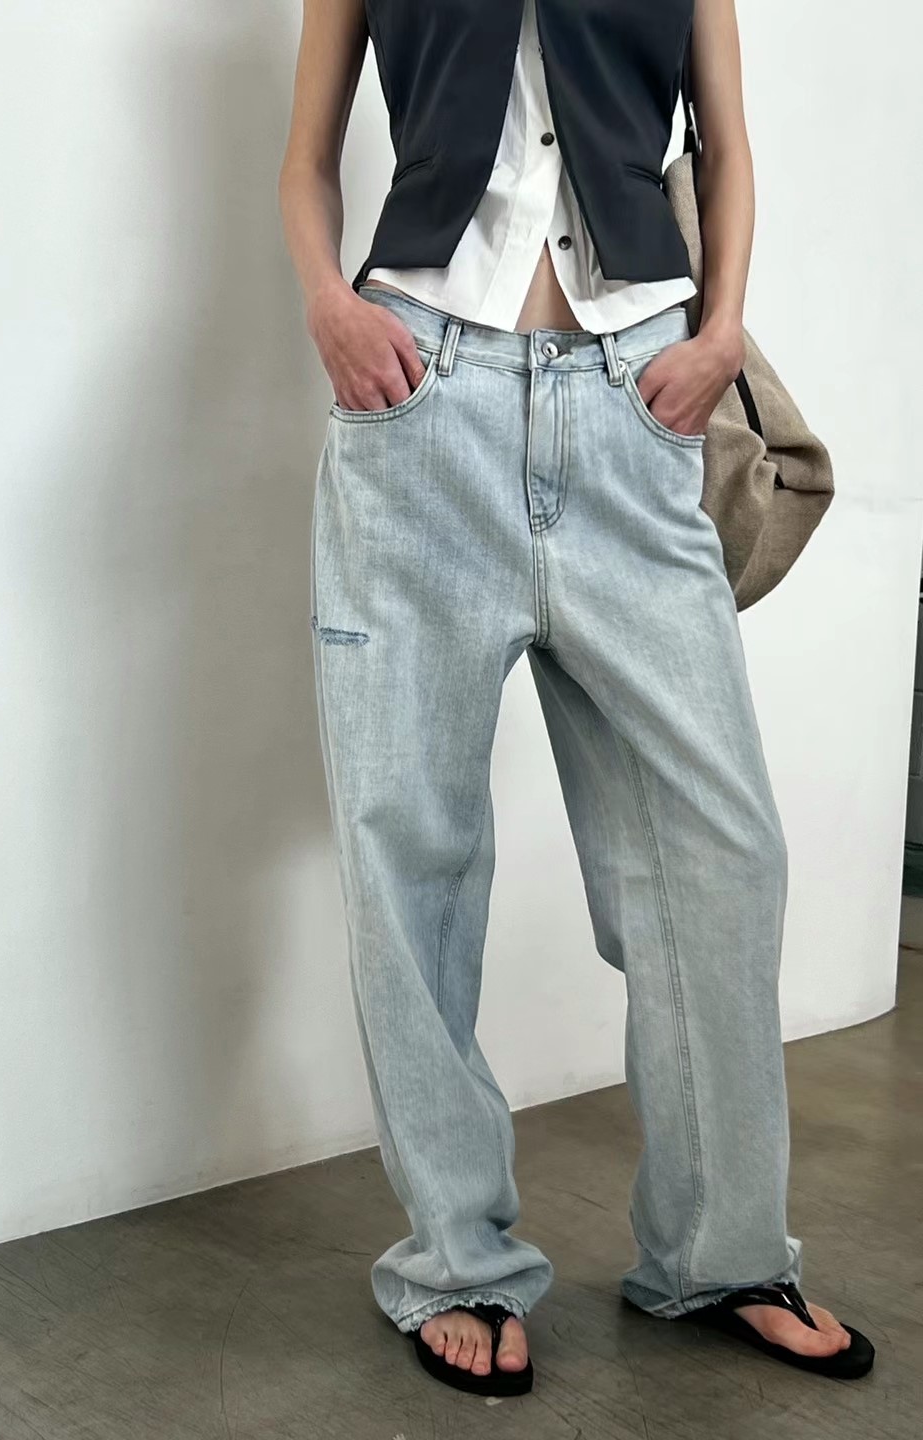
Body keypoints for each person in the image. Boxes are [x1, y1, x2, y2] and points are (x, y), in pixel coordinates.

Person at [277, 0, 875, 1397]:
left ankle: (724, 1254)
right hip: (419, 401)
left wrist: (721, 330)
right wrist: (327, 304)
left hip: (633, 398)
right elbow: (305, 158)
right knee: (411, 856)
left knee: (719, 854)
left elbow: (725, 144)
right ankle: (456, 1263)